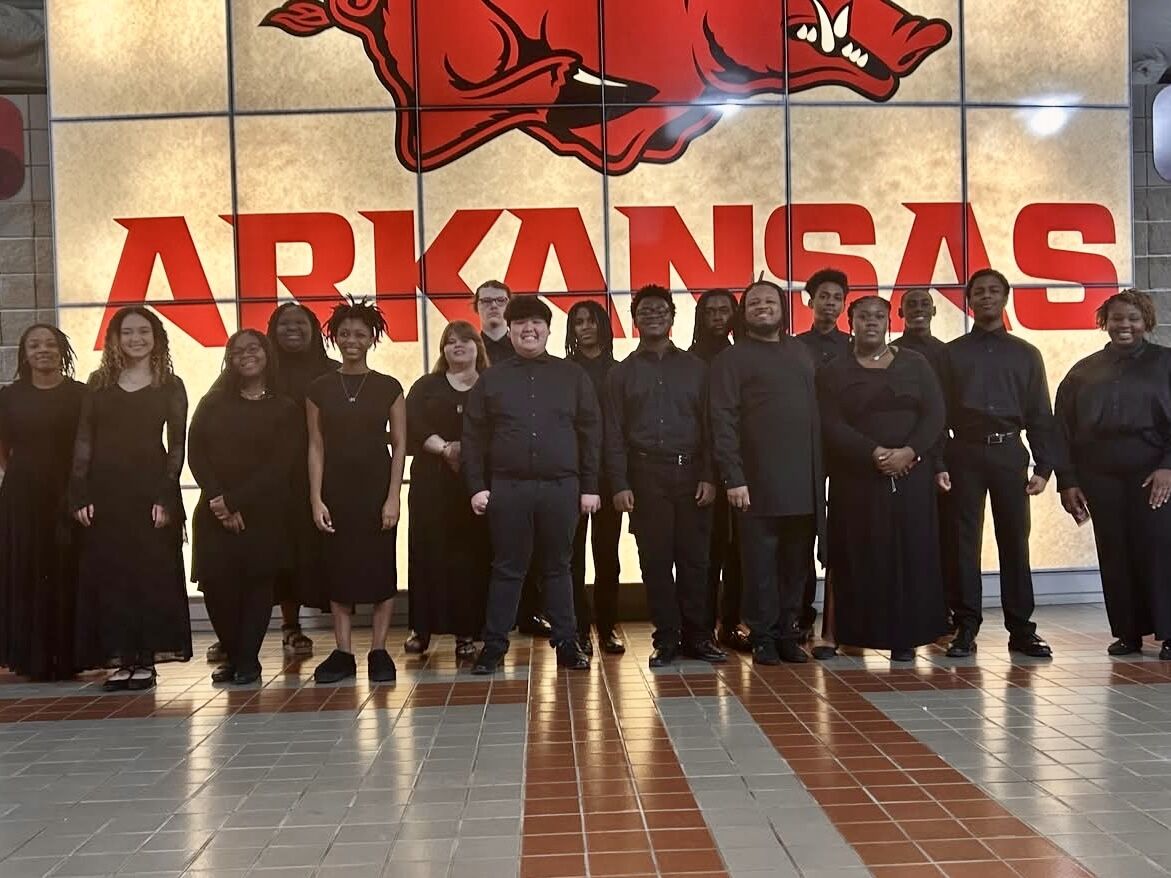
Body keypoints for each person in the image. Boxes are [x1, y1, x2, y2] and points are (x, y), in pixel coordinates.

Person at [463, 294, 601, 674]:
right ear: (509, 331)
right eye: (520, 323)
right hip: (508, 488)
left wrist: (590, 486)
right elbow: (473, 437)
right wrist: (476, 486)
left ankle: (567, 644)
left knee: (559, 567)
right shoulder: (491, 379)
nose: (529, 329)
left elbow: (591, 432)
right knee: (507, 568)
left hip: (563, 488)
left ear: (548, 330)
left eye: (536, 322)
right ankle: (493, 646)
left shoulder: (573, 375)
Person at [203, 303, 339, 665]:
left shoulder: (331, 372)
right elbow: (205, 436)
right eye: (283, 324)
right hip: (259, 490)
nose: (292, 329)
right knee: (261, 561)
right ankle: (249, 637)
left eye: (300, 323)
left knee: (298, 557)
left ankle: (294, 629)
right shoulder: (244, 375)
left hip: (313, 480)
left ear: (314, 330)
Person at [816, 296, 948, 661]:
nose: (870, 322)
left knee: (909, 554)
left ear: (889, 320)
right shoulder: (834, 370)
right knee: (856, 554)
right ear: (851, 321)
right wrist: (872, 452)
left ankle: (904, 637)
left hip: (911, 475)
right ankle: (846, 634)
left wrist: (910, 452)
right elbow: (830, 422)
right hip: (856, 477)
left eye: (878, 316)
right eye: (863, 316)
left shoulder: (915, 363)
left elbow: (935, 414)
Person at [937, 269, 1056, 658]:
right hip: (964, 452)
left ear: (1005, 298)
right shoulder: (950, 354)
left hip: (1009, 452)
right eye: (978, 292)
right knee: (963, 543)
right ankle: (965, 626)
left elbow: (1040, 411)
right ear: (968, 301)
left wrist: (1043, 468)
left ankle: (1021, 630)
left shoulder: (1026, 353)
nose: (986, 297)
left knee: (1014, 542)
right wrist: (939, 461)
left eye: (993, 291)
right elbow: (938, 415)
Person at [70, 306, 191, 691]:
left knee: (150, 576)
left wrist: (165, 495)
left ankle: (145, 661)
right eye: (127, 332)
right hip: (106, 492)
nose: (135, 339)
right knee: (112, 577)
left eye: (143, 331)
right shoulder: (98, 382)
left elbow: (176, 447)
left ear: (156, 337)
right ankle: (121, 658)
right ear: (115, 339)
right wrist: (80, 491)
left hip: (150, 491)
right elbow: (84, 441)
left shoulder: (170, 385)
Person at [607, 286, 721, 667]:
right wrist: (620, 483)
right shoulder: (620, 374)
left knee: (696, 561)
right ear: (634, 319)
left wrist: (709, 475)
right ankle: (666, 639)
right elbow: (614, 433)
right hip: (644, 474)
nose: (653, 315)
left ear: (673, 317)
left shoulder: (697, 368)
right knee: (655, 561)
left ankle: (698, 637)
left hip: (691, 473)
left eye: (661, 310)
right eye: (645, 311)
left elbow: (710, 426)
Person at [710, 281, 823, 665]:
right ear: (744, 313)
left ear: (782, 308)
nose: (762, 307)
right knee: (758, 566)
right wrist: (733, 476)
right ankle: (762, 636)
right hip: (754, 482)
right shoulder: (732, 358)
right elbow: (721, 420)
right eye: (754, 302)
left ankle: (789, 632)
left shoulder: (801, 352)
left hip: (802, 481)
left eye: (770, 301)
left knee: (796, 564)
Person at [1055, 290, 1171, 658]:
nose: (1125, 325)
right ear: (1105, 323)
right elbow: (1062, 429)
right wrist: (1068, 481)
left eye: (1133, 318)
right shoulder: (1083, 371)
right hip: (1099, 475)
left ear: (1146, 322)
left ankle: (1169, 633)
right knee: (1114, 552)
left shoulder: (1166, 363)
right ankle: (1128, 633)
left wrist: (1168, 467)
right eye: (1117, 318)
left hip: (1154, 471)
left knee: (1160, 551)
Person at [189, 330, 298, 684]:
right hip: (214, 509)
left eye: (253, 349)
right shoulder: (214, 401)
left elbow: (282, 464)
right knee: (217, 586)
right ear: (229, 359)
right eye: (237, 351)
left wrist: (234, 501)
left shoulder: (285, 407)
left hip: (263, 513)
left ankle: (247, 661)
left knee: (256, 587)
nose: (246, 356)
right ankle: (234, 656)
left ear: (267, 354)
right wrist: (219, 499)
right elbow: (196, 451)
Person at [307, 298, 407, 684]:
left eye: (360, 334)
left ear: (372, 339)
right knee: (339, 569)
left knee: (381, 567)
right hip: (335, 488)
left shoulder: (388, 387)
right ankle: (343, 651)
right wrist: (316, 498)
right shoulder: (318, 388)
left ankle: (379, 650)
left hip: (377, 486)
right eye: (345, 333)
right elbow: (315, 445)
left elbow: (399, 444)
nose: (352, 340)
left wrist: (393, 496)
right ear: (334, 337)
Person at [0, 324, 85, 680]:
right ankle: (31, 658)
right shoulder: (8, 396)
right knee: (27, 570)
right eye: (34, 345)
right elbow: (2, 449)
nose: (43, 350)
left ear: (62, 350)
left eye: (50, 344)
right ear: (25, 353)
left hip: (69, 492)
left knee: (68, 569)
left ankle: (69, 656)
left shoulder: (81, 394)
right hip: (23, 494)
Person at [404, 320, 491, 660]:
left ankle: (466, 632)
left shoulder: (491, 385)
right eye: (450, 341)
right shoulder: (427, 385)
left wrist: (466, 453)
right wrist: (444, 449)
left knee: (469, 557)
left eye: (465, 340)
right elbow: (412, 422)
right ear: (442, 350)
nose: (458, 346)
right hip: (431, 480)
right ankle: (421, 629)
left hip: (477, 483)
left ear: (477, 347)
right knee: (427, 552)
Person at [474, 279, 550, 638]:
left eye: (499, 301)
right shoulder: (467, 346)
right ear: (476, 307)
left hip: (531, 468)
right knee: (495, 553)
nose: (493, 307)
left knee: (535, 550)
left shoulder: (523, 344)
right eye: (486, 301)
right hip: (492, 469)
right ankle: (490, 626)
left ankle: (532, 613)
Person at [893, 287, 957, 628]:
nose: (918, 309)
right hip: (900, 458)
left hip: (938, 457)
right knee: (906, 537)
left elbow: (946, 411)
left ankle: (940, 610)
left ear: (934, 311)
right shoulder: (891, 353)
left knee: (941, 538)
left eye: (924, 304)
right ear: (899, 314)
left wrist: (939, 461)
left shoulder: (946, 354)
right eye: (910, 305)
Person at [690, 289, 749, 653]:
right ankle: (702, 627)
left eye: (723, 310)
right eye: (709, 310)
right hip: (702, 470)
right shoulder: (690, 359)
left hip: (742, 467)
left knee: (739, 553)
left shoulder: (742, 355)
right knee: (706, 554)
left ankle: (731, 624)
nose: (716, 316)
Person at [795, 268, 851, 641]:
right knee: (801, 533)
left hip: (847, 449)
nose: (830, 303)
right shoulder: (794, 347)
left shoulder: (856, 345)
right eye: (824, 297)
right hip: (804, 449)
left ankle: (845, 614)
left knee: (846, 530)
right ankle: (801, 613)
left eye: (837, 298)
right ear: (809, 300)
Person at [566, 299, 624, 655]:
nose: (585, 327)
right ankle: (578, 628)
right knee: (571, 557)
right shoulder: (562, 370)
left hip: (608, 474)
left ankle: (607, 628)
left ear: (603, 325)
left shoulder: (619, 370)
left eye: (591, 321)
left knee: (607, 555)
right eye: (578, 322)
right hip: (570, 475)